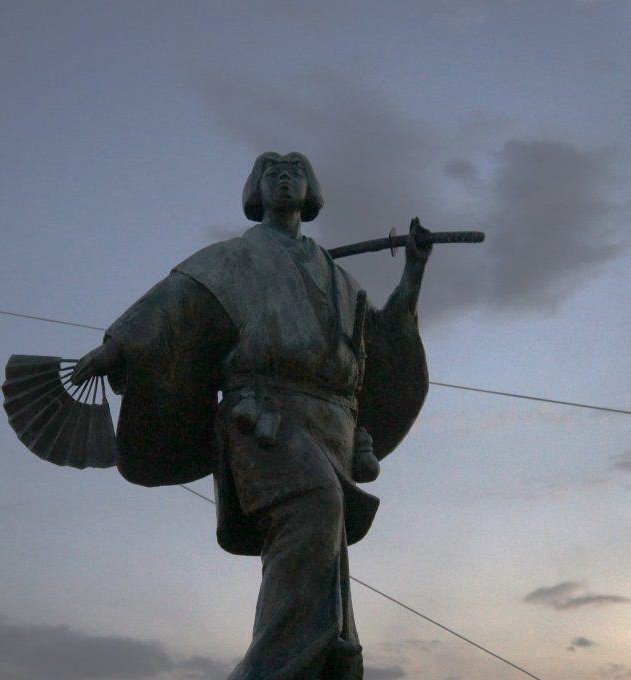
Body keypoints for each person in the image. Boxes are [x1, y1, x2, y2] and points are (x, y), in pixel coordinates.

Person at [71, 152, 431, 679]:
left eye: (295, 171)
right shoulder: (232, 260)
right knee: (315, 507)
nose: (284, 178)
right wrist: (118, 349)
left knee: (319, 546)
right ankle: (269, 669)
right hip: (262, 417)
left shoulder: (338, 278)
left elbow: (378, 337)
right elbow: (174, 304)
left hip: (332, 423)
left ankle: (330, 654)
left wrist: (414, 271)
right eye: (271, 172)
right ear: (255, 190)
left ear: (310, 190)